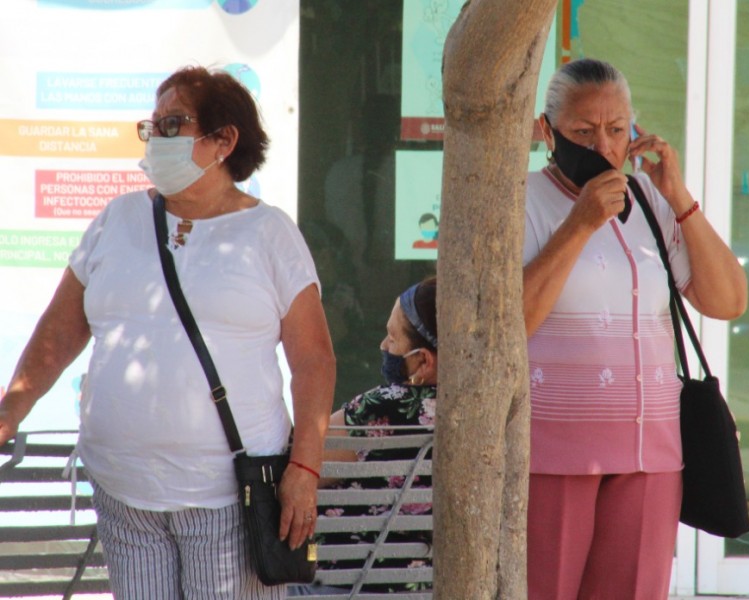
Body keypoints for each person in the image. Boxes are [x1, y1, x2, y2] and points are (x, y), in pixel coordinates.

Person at [0, 66, 336, 600]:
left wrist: (305, 466)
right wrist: (11, 409)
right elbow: (60, 331)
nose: (156, 137)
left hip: (229, 501)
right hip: (124, 496)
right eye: (151, 125)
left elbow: (313, 361)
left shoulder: (269, 233)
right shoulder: (119, 218)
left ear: (224, 140)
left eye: (172, 123)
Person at [522, 58, 747, 600]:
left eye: (617, 129)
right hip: (554, 451)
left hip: (651, 452)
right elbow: (512, 322)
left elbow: (728, 301)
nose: (602, 145)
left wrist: (679, 197)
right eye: (583, 130)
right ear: (546, 132)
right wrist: (579, 224)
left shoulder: (650, 202)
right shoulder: (523, 199)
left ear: (635, 132)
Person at [289, 276, 437, 597]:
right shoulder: (477, 414)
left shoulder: (381, 408)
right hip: (424, 587)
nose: (383, 346)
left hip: (346, 583)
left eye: (393, 339)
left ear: (424, 361)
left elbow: (300, 460)